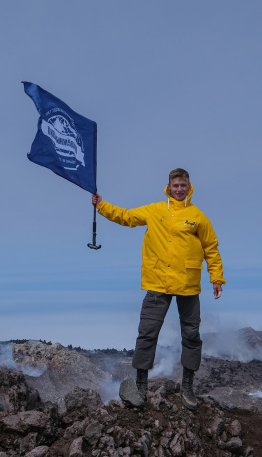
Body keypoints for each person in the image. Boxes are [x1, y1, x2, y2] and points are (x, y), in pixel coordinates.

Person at [91, 168, 224, 410]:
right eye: (176, 185)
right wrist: (101, 205)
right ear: (169, 187)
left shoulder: (198, 216)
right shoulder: (155, 210)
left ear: (189, 187)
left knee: (191, 336)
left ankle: (187, 386)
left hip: (188, 284)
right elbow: (126, 216)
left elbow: (211, 248)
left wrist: (216, 277)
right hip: (157, 282)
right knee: (147, 333)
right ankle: (141, 385)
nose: (179, 189)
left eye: (183, 185)